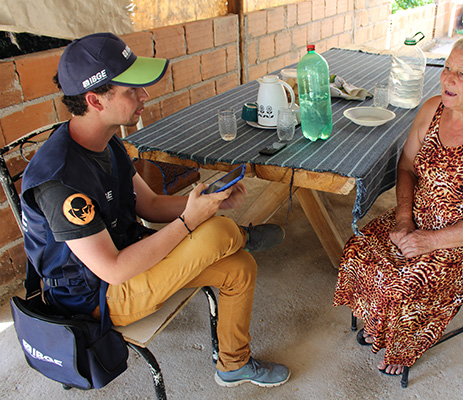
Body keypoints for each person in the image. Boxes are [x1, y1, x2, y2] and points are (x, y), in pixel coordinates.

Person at [20, 32, 290, 388]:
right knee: (218, 232)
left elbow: (150, 204)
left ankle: (233, 364)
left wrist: (208, 201)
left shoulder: (106, 141)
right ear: (94, 100)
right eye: (131, 90)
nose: (144, 96)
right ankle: (239, 236)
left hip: (131, 257)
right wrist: (189, 221)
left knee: (239, 267)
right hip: (95, 298)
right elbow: (113, 270)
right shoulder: (59, 182)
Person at [333, 33, 463, 375]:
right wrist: (404, 218)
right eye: (447, 68)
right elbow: (407, 165)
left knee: (410, 281)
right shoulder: (433, 109)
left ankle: (402, 345)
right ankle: (384, 322)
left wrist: (430, 241)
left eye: (462, 74)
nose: (447, 79)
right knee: (359, 249)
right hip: (419, 215)